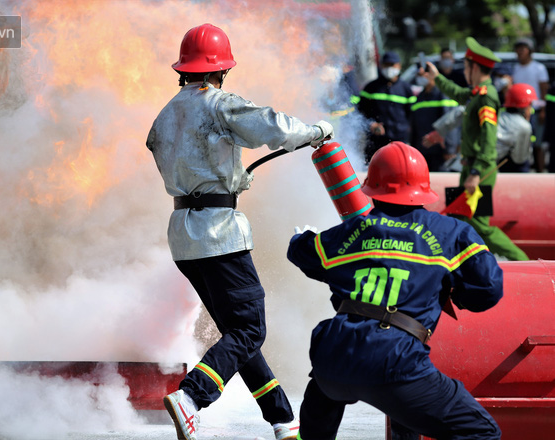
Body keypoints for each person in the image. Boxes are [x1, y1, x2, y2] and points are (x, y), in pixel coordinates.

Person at [146, 23, 333, 440]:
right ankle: (191, 397)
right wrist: (317, 131)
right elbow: (275, 128)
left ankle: (283, 420)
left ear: (184, 68)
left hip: (184, 235)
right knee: (250, 329)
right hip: (219, 232)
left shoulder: (163, 116)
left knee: (238, 333)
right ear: (221, 69)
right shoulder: (218, 104)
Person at [287, 141, 503, 440]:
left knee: (321, 405)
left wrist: (303, 238)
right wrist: (456, 292)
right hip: (396, 360)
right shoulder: (452, 233)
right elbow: (489, 290)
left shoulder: (353, 231)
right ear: (423, 188)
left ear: (372, 188)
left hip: (334, 357)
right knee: (482, 432)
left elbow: (302, 253)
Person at [423, 37, 530, 261]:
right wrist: (437, 78)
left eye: (466, 67)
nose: (464, 72)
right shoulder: (477, 93)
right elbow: (458, 94)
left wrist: (476, 173)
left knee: (481, 226)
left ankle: (524, 262)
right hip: (469, 168)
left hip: (479, 171)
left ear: (474, 67)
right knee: (457, 218)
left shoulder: (487, 97)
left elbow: (489, 139)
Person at [358, 51, 415, 163]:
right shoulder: (371, 87)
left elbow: (412, 114)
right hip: (376, 141)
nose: (389, 68)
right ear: (381, 65)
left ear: (399, 66)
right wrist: (371, 124)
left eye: (392, 65)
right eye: (386, 65)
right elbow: (361, 111)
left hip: (399, 140)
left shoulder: (406, 89)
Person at [512, 37, 549, 172]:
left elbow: (544, 89)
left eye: (523, 48)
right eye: (518, 49)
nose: (520, 51)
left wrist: (544, 110)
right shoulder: (515, 68)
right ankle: (522, 170)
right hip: (518, 113)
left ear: (529, 51)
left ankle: (540, 172)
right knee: (521, 144)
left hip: (536, 111)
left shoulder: (539, 68)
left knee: (537, 144)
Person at [411, 70, 459, 171]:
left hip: (440, 152)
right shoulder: (419, 97)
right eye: (418, 75)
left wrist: (449, 149)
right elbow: (414, 125)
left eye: (422, 74)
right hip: (422, 151)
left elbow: (449, 122)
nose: (420, 78)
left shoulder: (443, 95)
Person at [497, 83, 537, 172]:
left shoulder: (499, 116)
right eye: (530, 105)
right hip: (515, 167)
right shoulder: (524, 126)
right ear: (524, 107)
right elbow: (520, 158)